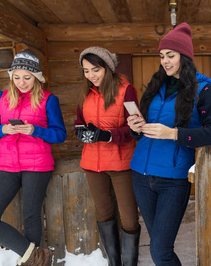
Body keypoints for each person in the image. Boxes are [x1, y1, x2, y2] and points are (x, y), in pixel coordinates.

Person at [128, 22, 211, 265]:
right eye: (162, 56)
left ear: (185, 56)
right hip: (140, 173)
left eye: (170, 55)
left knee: (160, 250)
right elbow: (147, 128)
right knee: (158, 248)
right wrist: (136, 128)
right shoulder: (156, 84)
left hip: (172, 179)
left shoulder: (203, 89)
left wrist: (174, 134)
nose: (165, 61)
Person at [0, 49, 67, 266]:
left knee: (30, 216)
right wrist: (3, 130)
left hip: (37, 165)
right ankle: (37, 257)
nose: (21, 82)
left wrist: (35, 130)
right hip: (7, 165)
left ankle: (32, 263)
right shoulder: (1, 98)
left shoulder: (48, 100)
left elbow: (60, 134)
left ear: (36, 77)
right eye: (16, 77)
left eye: (27, 77)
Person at [75, 46, 140, 266]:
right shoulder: (85, 93)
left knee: (129, 217)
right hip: (92, 163)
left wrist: (106, 135)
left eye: (95, 69)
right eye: (86, 71)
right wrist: (80, 131)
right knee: (104, 214)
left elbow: (135, 129)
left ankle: (130, 262)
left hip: (121, 162)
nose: (91, 75)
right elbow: (78, 121)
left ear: (108, 68)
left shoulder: (126, 90)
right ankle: (114, 262)